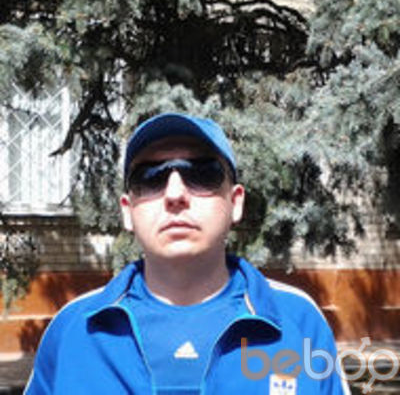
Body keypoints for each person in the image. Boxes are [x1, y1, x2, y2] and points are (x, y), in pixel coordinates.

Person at [24, 112, 350, 394]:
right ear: (127, 210)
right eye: (150, 177)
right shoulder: (74, 330)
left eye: (202, 174)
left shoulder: (298, 322)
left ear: (235, 202)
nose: (175, 193)